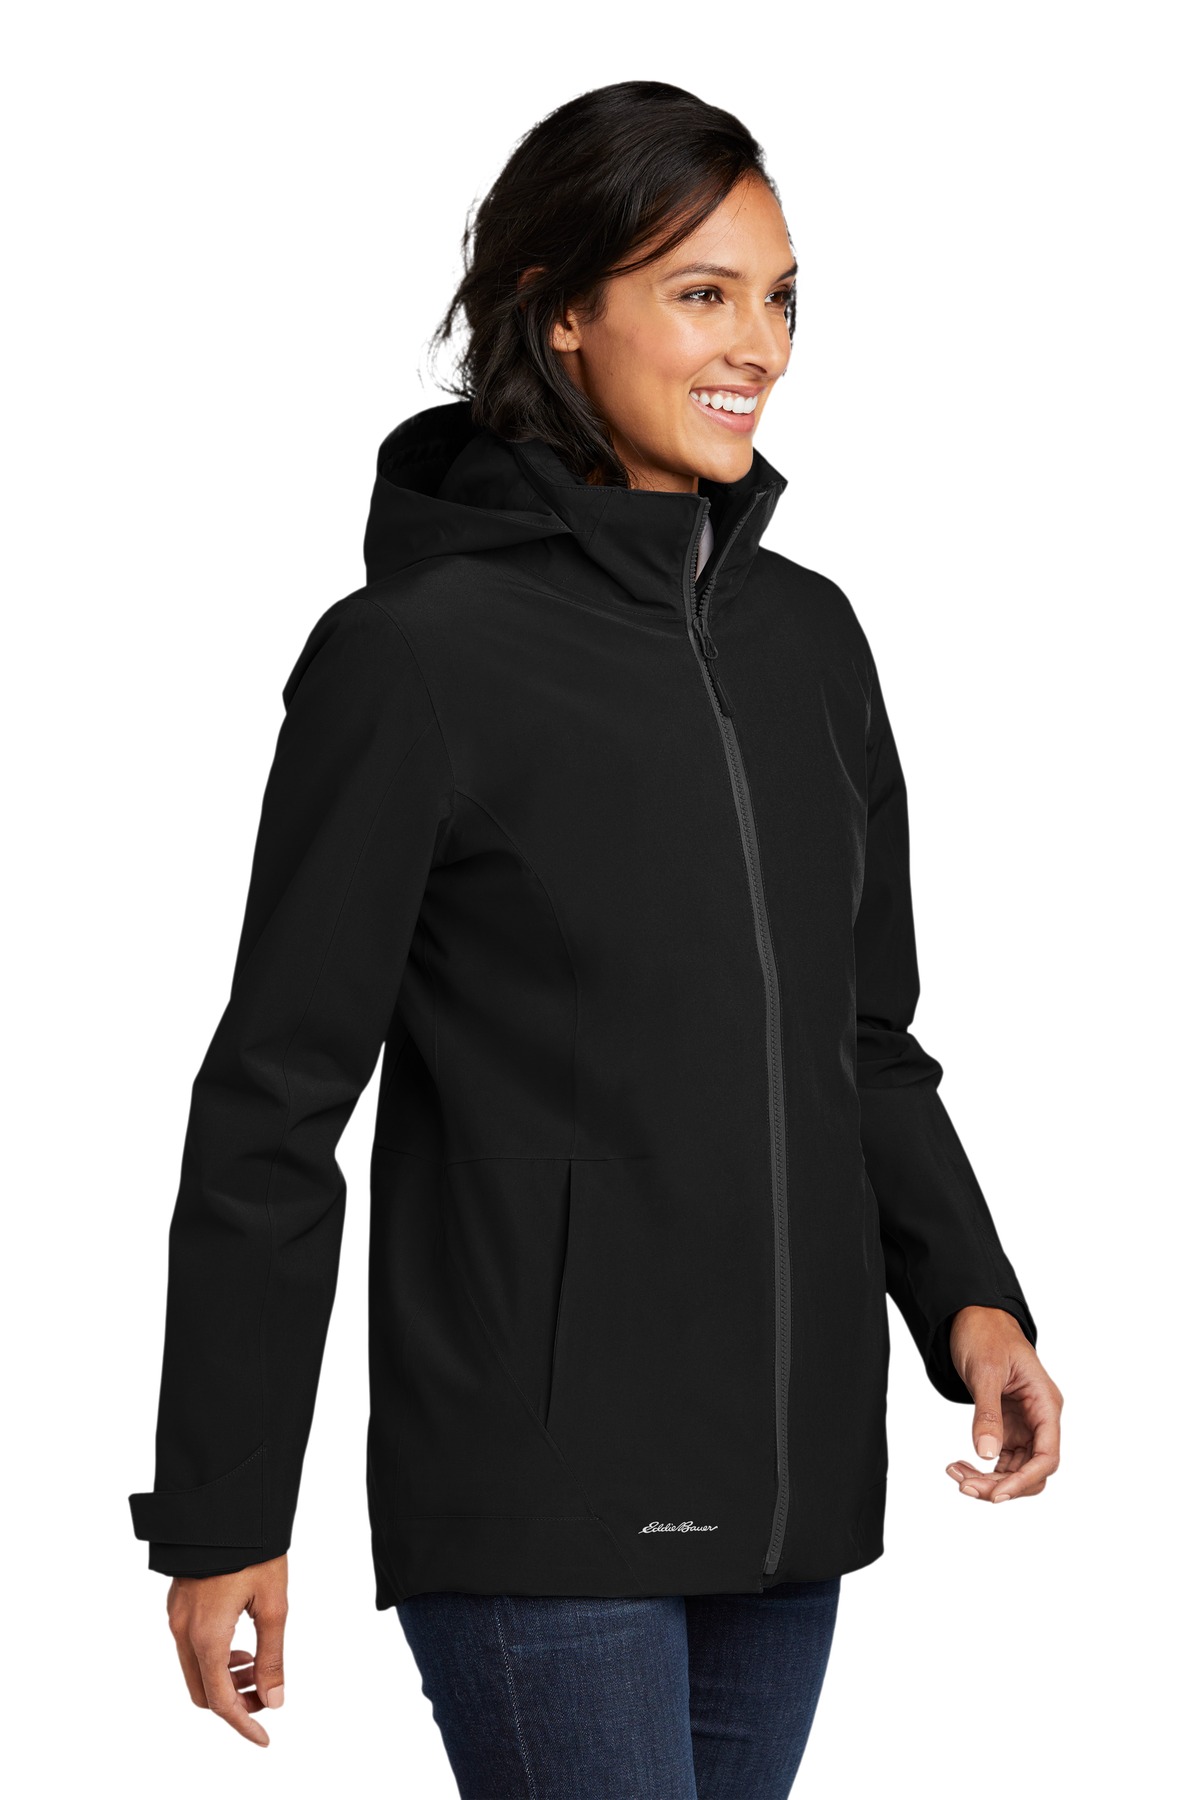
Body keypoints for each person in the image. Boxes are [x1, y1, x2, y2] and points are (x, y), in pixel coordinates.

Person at [128, 80, 1062, 1794]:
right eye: (702, 292)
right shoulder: (414, 657)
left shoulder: (811, 643)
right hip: (540, 1490)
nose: (758, 345)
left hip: (785, 1482)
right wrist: (221, 1507)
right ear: (560, 309)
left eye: (781, 298)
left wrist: (970, 1302)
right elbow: (275, 1095)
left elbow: (862, 1042)